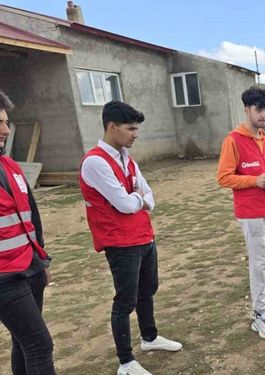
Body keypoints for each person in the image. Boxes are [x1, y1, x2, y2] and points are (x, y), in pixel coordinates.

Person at [79, 101, 182, 375]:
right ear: (112, 127)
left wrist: (136, 198)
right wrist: (138, 198)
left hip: (143, 236)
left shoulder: (126, 158)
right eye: (131, 128)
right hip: (120, 242)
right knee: (125, 300)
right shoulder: (95, 162)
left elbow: (151, 197)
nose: (135, 134)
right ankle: (125, 362)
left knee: (148, 290)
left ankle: (149, 338)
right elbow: (126, 204)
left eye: (137, 128)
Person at [217, 86, 265, 339]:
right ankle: (260, 313)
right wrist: (253, 181)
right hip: (251, 212)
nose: (263, 115)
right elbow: (224, 177)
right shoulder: (233, 140)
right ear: (247, 109)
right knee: (259, 263)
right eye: (258, 110)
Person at [0, 91, 56, 375]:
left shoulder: (11, 167)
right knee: (39, 345)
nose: (6, 130)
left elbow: (31, 218)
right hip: (4, 279)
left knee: (23, 342)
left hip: (29, 267)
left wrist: (41, 261)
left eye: (6, 122)